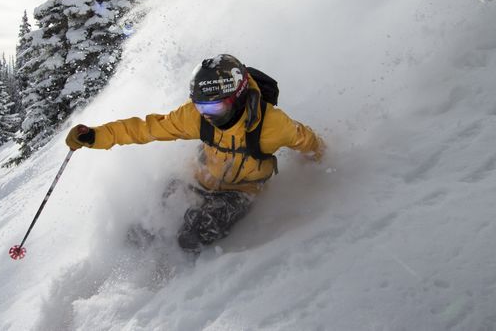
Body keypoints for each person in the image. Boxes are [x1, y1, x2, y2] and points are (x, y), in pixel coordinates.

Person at [65, 54, 325, 253]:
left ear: (237, 97)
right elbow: (147, 129)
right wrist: (95, 136)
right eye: (202, 107)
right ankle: (131, 270)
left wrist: (318, 163)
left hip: (241, 191)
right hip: (197, 177)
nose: (208, 116)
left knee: (192, 234)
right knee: (145, 226)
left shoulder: (272, 124)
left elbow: (307, 140)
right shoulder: (195, 116)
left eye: (216, 108)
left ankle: (176, 286)